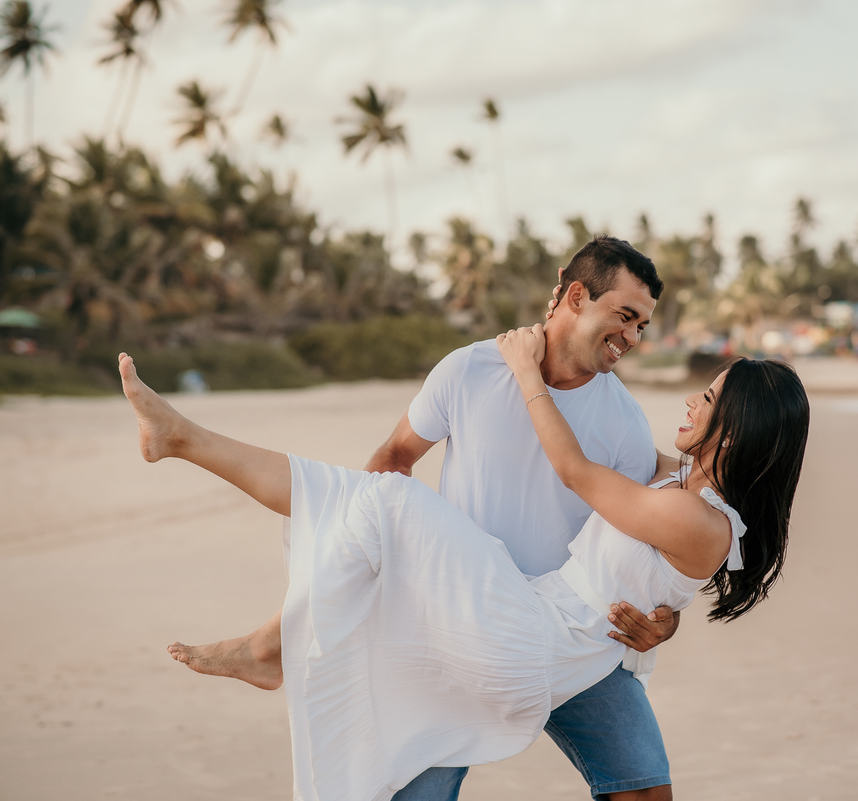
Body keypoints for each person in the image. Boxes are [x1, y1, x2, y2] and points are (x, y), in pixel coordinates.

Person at [118, 331, 808, 800]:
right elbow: (662, 575)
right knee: (370, 503)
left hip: (530, 636)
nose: (693, 400)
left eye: (711, 399)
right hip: (534, 622)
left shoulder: (695, 515)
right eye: (623, 318)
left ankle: (265, 623)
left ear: (741, 428)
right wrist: (667, 621)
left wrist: (525, 372)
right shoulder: (685, 484)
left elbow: (574, 471)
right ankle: (189, 452)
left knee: (384, 500)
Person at [171, 236, 687, 800]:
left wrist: (664, 619)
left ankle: (266, 637)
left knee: (644, 791)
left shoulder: (624, 424)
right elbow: (392, 464)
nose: (633, 338)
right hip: (451, 625)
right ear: (577, 296)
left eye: (641, 326)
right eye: (626, 316)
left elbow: (650, 540)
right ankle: (276, 639)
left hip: (567, 634)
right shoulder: (471, 369)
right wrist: (374, 577)